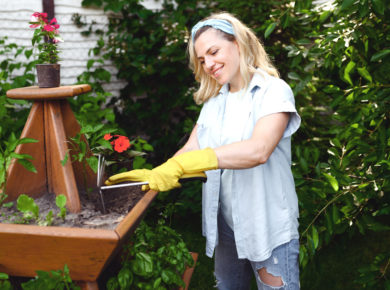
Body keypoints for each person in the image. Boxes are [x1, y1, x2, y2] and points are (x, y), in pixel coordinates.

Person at [106, 12, 301, 290]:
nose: (208, 64)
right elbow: (191, 149)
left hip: (266, 224)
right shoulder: (214, 102)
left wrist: (200, 160)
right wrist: (155, 175)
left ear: (237, 43)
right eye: (201, 60)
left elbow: (259, 150)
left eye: (213, 52)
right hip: (227, 227)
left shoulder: (273, 92)